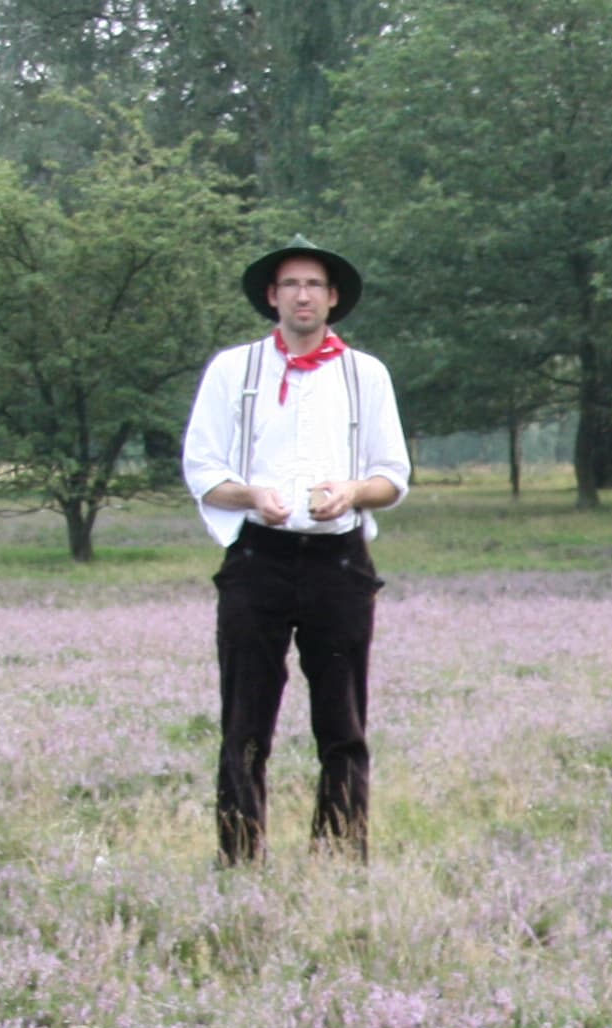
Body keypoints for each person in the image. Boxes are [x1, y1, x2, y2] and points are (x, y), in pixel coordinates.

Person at [179, 238, 412, 863]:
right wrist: (252, 494)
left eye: (314, 285)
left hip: (339, 564)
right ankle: (239, 860)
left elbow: (394, 477)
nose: (302, 296)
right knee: (245, 722)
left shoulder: (367, 375)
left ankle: (337, 859)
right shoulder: (235, 370)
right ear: (271, 297)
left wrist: (353, 491)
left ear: (333, 299)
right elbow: (201, 468)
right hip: (258, 561)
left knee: (342, 724)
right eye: (291, 285)